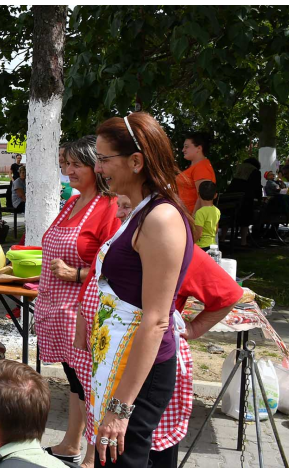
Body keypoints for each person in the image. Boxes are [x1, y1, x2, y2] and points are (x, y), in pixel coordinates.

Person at [78, 112, 193, 468]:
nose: (98, 168)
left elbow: (156, 321)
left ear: (136, 161)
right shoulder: (141, 212)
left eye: (103, 159)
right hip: (122, 361)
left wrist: (120, 407)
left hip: (140, 373)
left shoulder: (160, 219)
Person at [108, 195, 243, 467]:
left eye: (128, 208)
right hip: (120, 357)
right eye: (119, 207)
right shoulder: (125, 239)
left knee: (148, 449)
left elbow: (229, 294)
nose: (120, 215)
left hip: (153, 359)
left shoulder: (169, 243)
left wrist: (194, 329)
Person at [35, 136, 120, 467]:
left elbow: (114, 267)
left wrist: (76, 273)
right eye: (63, 163)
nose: (67, 170)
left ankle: (91, 457)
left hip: (86, 311)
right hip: (59, 308)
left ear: (95, 167)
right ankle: (71, 443)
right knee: (76, 381)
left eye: (75, 164)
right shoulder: (72, 202)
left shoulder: (108, 206)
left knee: (92, 386)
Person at [176, 132, 215, 214]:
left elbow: (203, 199)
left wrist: (194, 222)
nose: (183, 150)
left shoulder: (202, 167)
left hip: (190, 220)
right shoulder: (197, 166)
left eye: (186, 147)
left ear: (199, 148)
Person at [227, 158, 262, 246]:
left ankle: (223, 238)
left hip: (231, 199)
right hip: (246, 199)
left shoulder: (239, 169)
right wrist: (259, 199)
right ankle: (243, 241)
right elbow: (257, 187)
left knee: (229, 217)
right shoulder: (255, 171)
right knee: (245, 220)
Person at [193, 181, 220, 250]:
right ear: (215, 195)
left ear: (198, 194)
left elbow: (198, 233)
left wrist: (191, 243)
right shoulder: (217, 211)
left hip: (202, 246)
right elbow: (216, 230)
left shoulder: (200, 212)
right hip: (213, 244)